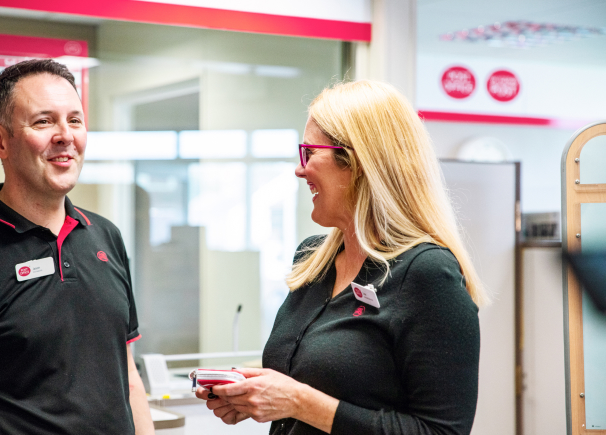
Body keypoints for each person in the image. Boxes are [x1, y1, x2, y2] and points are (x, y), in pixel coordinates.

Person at [196, 80, 486, 435]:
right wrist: (255, 396)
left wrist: (299, 402)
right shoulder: (311, 260)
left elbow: (441, 431)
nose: (299, 170)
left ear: (357, 161)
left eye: (308, 152)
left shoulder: (426, 273)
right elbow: (308, 385)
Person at [0, 59, 154, 435]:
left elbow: (127, 376)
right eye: (44, 121)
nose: (65, 136)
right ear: (0, 140)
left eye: (74, 120)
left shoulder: (106, 236)